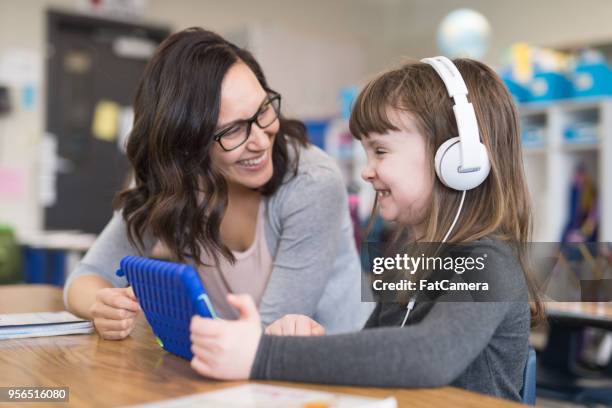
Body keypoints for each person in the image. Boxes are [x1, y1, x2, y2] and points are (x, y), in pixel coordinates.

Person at [188, 57, 544, 402]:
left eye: (380, 151)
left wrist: (265, 354)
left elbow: (429, 355)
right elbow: (380, 360)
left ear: (456, 160)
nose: (367, 171)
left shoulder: (488, 262)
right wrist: (306, 343)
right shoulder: (410, 262)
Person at [63, 27, 370, 340]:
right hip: (238, 365)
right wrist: (103, 305)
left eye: (263, 109)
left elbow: (267, 337)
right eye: (234, 130)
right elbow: (85, 279)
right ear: (187, 144)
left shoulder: (310, 183)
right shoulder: (174, 185)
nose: (261, 140)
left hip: (338, 369)